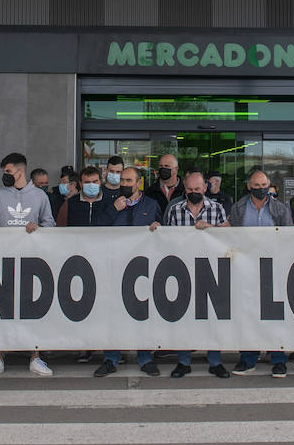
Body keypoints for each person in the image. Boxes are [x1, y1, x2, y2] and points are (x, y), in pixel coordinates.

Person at [0, 152, 56, 378]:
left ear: (19, 172)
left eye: (8, 172)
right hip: (3, 261)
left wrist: (39, 228)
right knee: (1, 309)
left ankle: (35, 355)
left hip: (32, 261)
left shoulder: (40, 196)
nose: (5, 176)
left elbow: (50, 224)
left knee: (33, 306)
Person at [157, 170, 231, 379]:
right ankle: (183, 361)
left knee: (212, 318)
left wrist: (212, 229)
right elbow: (166, 239)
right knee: (184, 317)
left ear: (205, 188)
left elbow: (230, 235)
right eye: (189, 189)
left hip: (212, 270)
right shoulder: (175, 210)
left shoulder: (216, 208)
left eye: (197, 189)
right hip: (183, 270)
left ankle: (215, 361)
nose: (193, 192)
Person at [93, 164, 161, 377]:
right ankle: (111, 358)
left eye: (128, 181)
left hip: (143, 267)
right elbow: (95, 229)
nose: (124, 184)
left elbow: (163, 231)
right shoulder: (109, 203)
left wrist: (158, 228)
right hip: (115, 266)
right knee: (113, 313)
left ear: (138, 183)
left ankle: (145, 357)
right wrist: (114, 209)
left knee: (142, 311)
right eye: (122, 180)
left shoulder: (151, 205)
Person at [225, 168, 294, 377]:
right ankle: (248, 359)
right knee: (248, 315)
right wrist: (209, 229)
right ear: (249, 187)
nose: (261, 189)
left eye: (264, 186)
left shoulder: (280, 209)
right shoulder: (238, 208)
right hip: (246, 271)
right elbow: (228, 232)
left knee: (275, 316)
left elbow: (289, 236)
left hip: (273, 269)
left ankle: (279, 359)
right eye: (257, 186)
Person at [148, 153, 185, 218]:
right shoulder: (150, 191)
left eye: (167, 166)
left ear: (176, 169)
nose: (163, 169)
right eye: (161, 166)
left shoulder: (185, 190)